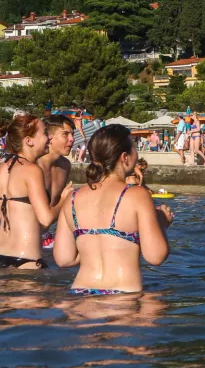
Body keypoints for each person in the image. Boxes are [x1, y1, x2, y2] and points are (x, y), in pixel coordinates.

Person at [53, 125, 174, 295]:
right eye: (134, 147)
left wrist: (94, 244)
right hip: (123, 296)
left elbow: (64, 259)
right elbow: (156, 256)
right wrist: (162, 224)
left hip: (80, 294)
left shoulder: (72, 198)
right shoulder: (137, 195)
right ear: (125, 157)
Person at [0, 115, 59, 269]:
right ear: (29, 140)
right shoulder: (32, 170)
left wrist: (4, 203)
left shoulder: (2, 168)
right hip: (25, 259)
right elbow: (46, 218)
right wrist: (66, 199)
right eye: (44, 133)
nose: (49, 138)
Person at [37, 115, 77, 249]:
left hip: (46, 237)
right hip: (23, 237)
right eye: (65, 134)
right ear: (49, 137)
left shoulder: (65, 165)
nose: (72, 139)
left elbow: (55, 205)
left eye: (72, 134)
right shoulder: (33, 165)